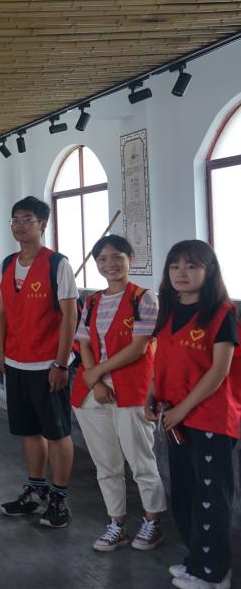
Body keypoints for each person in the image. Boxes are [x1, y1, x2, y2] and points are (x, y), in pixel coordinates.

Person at [148, 240, 239, 589]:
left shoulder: (221, 313)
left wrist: (183, 409)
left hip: (210, 418)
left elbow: (218, 371)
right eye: (175, 266)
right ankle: (198, 561)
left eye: (191, 265)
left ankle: (214, 574)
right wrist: (152, 393)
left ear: (209, 270)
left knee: (210, 497)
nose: (181, 273)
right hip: (176, 417)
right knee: (185, 495)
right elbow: (162, 358)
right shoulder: (169, 309)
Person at [70, 235, 166, 552]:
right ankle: (117, 524)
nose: (109, 264)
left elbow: (139, 347)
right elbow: (84, 342)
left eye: (116, 257)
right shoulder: (92, 301)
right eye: (102, 259)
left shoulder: (144, 298)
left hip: (131, 390)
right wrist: (95, 381)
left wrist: (96, 371)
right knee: (106, 464)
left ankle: (152, 522)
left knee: (141, 461)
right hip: (93, 393)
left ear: (130, 259)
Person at [0, 196, 78, 528]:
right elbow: (2, 312)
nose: (19, 225)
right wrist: (1, 354)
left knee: (56, 432)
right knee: (28, 431)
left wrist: (61, 364)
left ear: (43, 224)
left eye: (27, 219)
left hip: (48, 363)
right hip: (16, 361)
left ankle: (59, 498)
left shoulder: (58, 264)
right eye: (15, 219)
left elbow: (70, 316)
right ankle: (35, 489)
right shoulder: (7, 264)